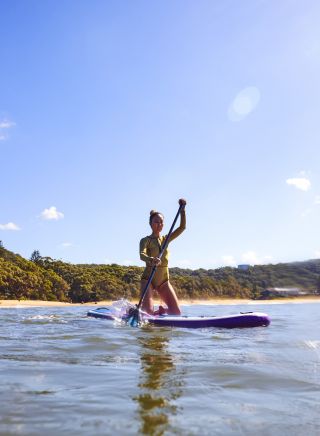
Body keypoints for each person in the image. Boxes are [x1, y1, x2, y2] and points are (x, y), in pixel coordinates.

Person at [139, 198, 187, 315]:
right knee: (148, 313)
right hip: (148, 280)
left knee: (176, 313)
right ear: (150, 223)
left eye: (161, 222)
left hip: (163, 281)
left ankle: (160, 311)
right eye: (156, 221)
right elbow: (142, 255)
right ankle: (143, 311)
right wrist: (151, 259)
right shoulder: (145, 240)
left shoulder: (166, 239)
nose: (159, 224)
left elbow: (182, 227)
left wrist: (182, 211)